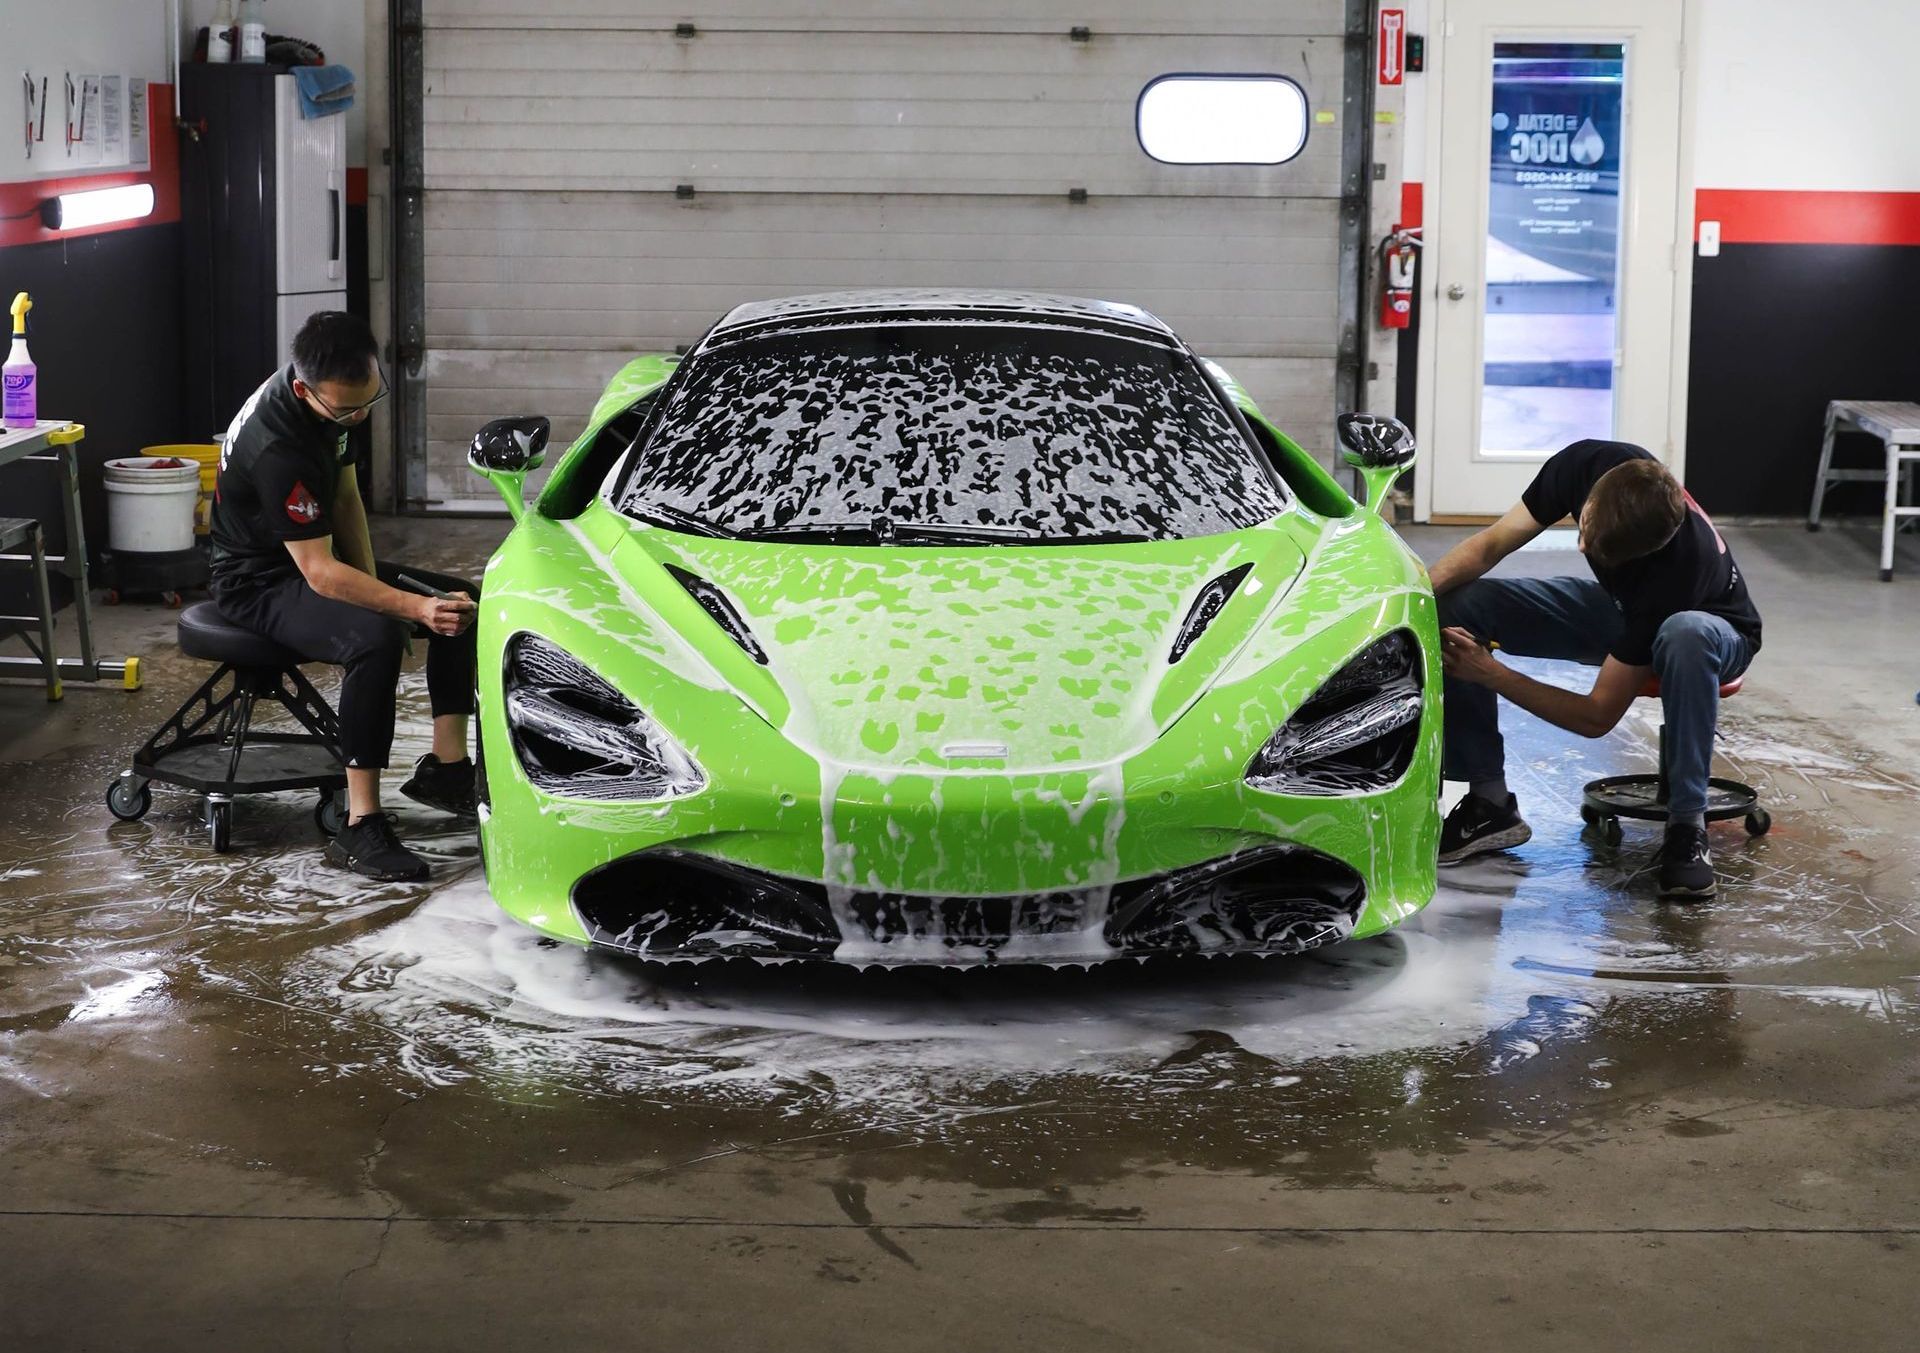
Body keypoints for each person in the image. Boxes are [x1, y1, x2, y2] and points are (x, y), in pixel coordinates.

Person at [207, 311, 480, 882]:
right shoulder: (278, 448)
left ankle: (446, 770)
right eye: (345, 410)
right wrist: (404, 608)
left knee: (458, 602)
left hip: (308, 556)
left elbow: (348, 495)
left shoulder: (332, 398)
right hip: (257, 581)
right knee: (374, 638)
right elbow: (320, 575)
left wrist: (383, 582)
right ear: (305, 389)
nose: (357, 416)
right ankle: (360, 826)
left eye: (367, 401)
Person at [1428, 439, 1762, 899]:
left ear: (1646, 550)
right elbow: (1490, 545)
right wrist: (1413, 597)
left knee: (1685, 634)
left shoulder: (1675, 574)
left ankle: (1687, 827)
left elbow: (1596, 717)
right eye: (1583, 529)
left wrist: (1490, 673)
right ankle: (1490, 803)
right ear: (1592, 499)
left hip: (1715, 634)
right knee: (1456, 606)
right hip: (1625, 610)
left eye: (1600, 551)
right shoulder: (1588, 464)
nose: (1582, 545)